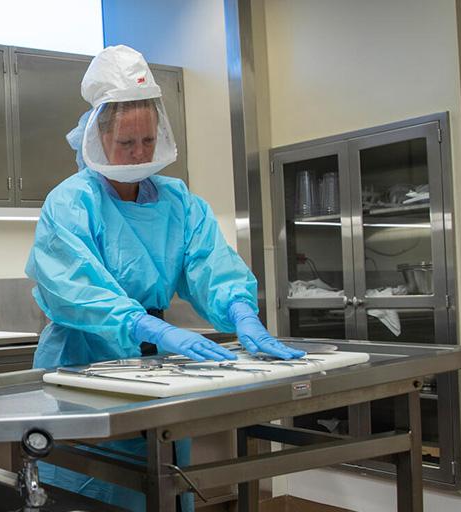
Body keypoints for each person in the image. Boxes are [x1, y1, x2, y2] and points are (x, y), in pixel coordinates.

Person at [25, 45, 305, 511]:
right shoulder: (72, 203)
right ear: (97, 138)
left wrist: (241, 312)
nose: (139, 154)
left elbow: (210, 263)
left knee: (161, 480)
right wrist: (147, 326)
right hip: (83, 369)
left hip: (155, 373)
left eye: (147, 142)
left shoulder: (177, 201)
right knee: (91, 490)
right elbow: (77, 289)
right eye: (126, 143)